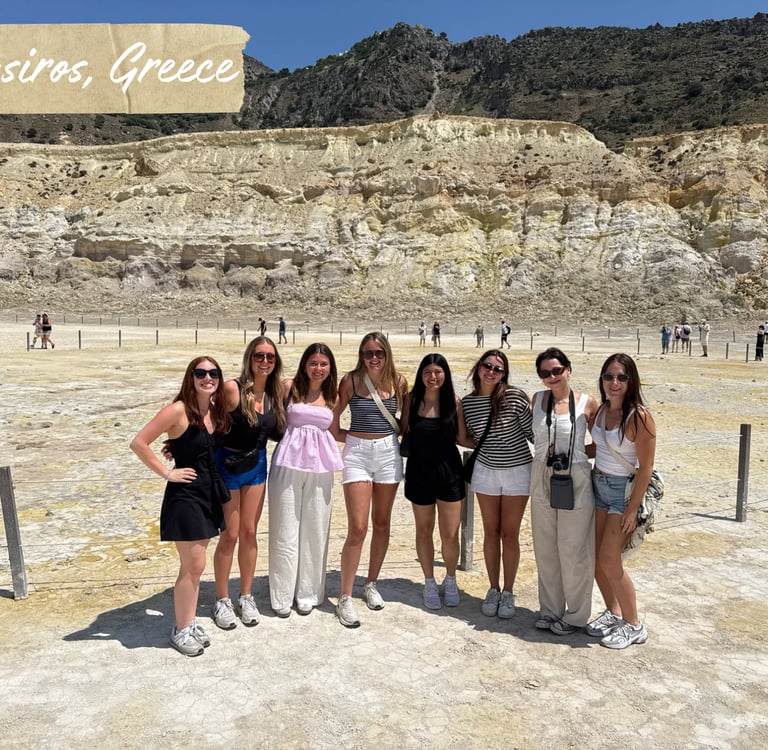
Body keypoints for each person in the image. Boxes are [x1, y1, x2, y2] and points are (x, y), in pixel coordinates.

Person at [130, 356, 231, 656]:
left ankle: (187, 622)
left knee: (195, 566)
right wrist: (167, 472)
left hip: (207, 494)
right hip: (185, 496)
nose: (207, 378)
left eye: (213, 373)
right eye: (200, 373)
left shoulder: (213, 409)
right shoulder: (178, 410)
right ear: (191, 377)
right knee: (194, 565)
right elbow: (139, 442)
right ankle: (180, 629)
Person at [331, 332, 408, 627]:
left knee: (383, 522)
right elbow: (334, 418)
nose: (373, 358)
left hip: (388, 453)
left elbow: (405, 420)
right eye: (367, 353)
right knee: (358, 527)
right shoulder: (350, 381)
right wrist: (348, 439)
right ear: (361, 355)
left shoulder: (398, 382)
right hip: (358, 454)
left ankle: (371, 583)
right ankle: (346, 596)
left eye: (378, 353)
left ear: (387, 353)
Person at [212, 336, 285, 630]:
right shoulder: (232, 388)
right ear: (249, 358)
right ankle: (221, 599)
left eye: (270, 357)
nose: (264, 361)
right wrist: (180, 445)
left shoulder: (274, 395)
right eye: (259, 356)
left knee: (250, 532)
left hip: (257, 466)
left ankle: (246, 595)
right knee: (229, 535)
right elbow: (204, 412)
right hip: (228, 466)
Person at [268, 343, 343, 617]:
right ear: (304, 364)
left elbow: (336, 430)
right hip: (287, 463)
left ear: (330, 368)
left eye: (324, 364)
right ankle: (281, 594)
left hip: (321, 467)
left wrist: (376, 437)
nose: (318, 368)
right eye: (313, 362)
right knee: (284, 527)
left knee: (315, 527)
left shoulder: (333, 394)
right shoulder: (289, 387)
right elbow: (264, 413)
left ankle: (308, 592)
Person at [587, 353, 656, 649]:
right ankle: (614, 613)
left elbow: (646, 468)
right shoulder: (602, 411)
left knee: (610, 561)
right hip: (598, 486)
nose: (614, 383)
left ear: (631, 381)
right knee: (595, 560)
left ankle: (634, 624)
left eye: (621, 377)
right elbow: (599, 449)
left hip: (622, 492)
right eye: (608, 377)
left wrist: (632, 509)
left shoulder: (639, 417)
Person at [529, 347, 599, 635]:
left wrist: (576, 453)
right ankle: (549, 610)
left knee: (573, 549)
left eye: (557, 370)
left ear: (568, 369)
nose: (552, 377)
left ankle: (576, 615)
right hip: (541, 475)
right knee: (545, 547)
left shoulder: (587, 403)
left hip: (575, 478)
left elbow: (602, 442)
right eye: (545, 373)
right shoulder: (537, 399)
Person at [462, 349, 533, 618]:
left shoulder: (514, 397)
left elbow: (532, 433)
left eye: (498, 369)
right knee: (490, 532)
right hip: (487, 472)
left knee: (510, 534)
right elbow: (466, 436)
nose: (491, 372)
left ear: (504, 374)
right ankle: (493, 588)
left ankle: (509, 591)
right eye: (487, 366)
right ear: (478, 367)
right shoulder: (468, 403)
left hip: (517, 471)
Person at [401, 354, 473, 610]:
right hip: (419, 472)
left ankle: (450, 579)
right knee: (423, 530)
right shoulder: (411, 400)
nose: (433, 377)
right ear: (421, 375)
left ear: (446, 375)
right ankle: (429, 581)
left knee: (450, 534)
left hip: (449, 473)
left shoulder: (454, 402)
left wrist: (495, 444)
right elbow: (401, 430)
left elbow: (463, 438)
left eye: (438, 372)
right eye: (428, 372)